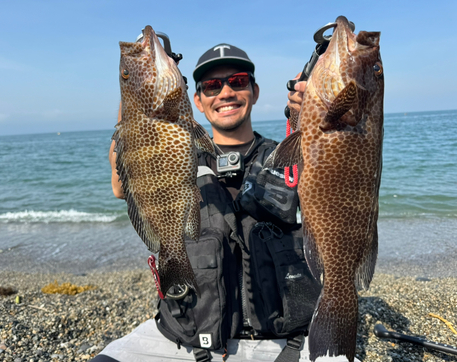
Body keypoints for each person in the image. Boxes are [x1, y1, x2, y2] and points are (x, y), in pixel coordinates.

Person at [95, 43, 359, 362]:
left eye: (237, 81)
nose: (225, 92)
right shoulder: (176, 155)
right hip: (184, 339)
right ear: (196, 99)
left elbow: (339, 180)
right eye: (211, 85)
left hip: (291, 342)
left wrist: (312, 119)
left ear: (255, 90)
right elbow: (123, 186)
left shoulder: (290, 154)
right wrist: (137, 91)